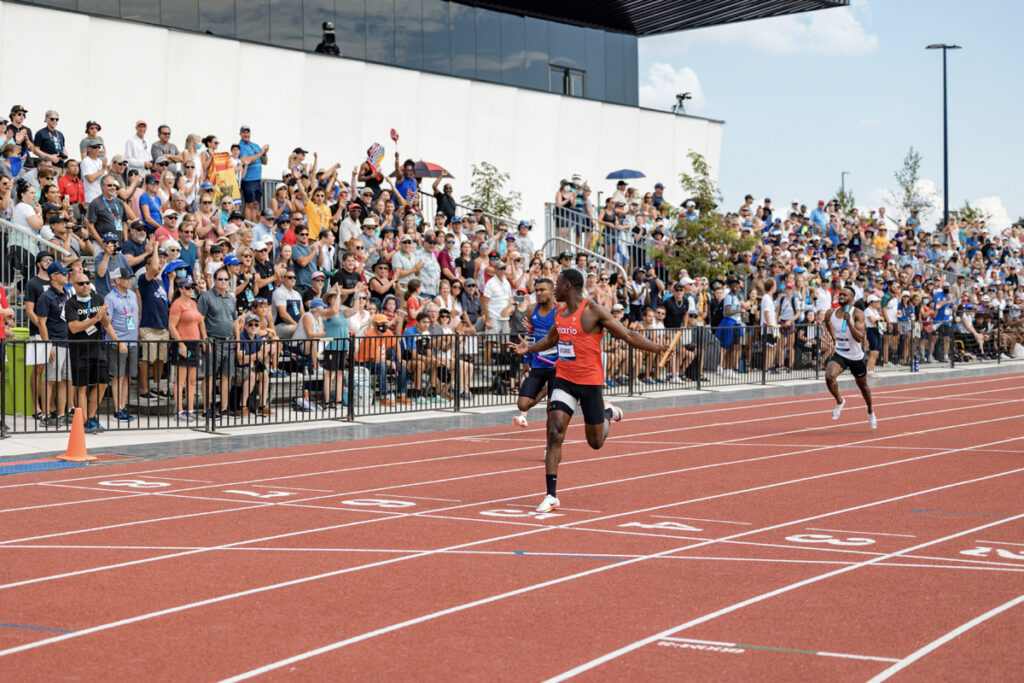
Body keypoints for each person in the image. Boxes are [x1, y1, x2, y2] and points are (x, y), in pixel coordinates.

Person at [509, 269, 668, 512]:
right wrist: (528, 349)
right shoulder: (560, 313)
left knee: (595, 443)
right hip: (564, 379)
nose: (554, 290)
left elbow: (626, 334)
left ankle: (607, 413)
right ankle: (551, 495)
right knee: (555, 432)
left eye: (558, 284)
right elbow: (551, 340)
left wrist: (656, 348)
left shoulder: (594, 311)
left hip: (590, 382)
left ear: (569, 287)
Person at [65, 272, 117, 433]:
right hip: (79, 350)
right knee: (81, 387)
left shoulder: (98, 299)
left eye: (87, 282)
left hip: (97, 348)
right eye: (81, 283)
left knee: (102, 383)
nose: (85, 285)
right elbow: (73, 327)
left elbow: (107, 323)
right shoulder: (71, 304)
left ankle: (91, 416)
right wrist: (95, 318)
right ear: (74, 286)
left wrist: (103, 317)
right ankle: (85, 421)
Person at [824, 286, 877, 429]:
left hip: (855, 356)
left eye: (844, 295)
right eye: (840, 294)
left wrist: (849, 323)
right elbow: (827, 322)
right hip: (841, 354)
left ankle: (870, 411)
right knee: (829, 377)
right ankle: (840, 401)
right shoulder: (831, 313)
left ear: (852, 299)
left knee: (864, 388)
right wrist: (834, 338)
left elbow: (859, 338)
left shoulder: (857, 314)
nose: (841, 296)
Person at [513, 278, 558, 428]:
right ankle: (545, 390)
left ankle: (551, 444)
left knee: (551, 411)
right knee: (523, 404)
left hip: (556, 366)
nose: (538, 293)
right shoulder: (531, 309)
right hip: (538, 363)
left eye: (542, 290)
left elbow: (568, 337)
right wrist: (526, 362)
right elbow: (530, 337)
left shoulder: (560, 310)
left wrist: (564, 359)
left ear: (552, 291)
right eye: (536, 290)